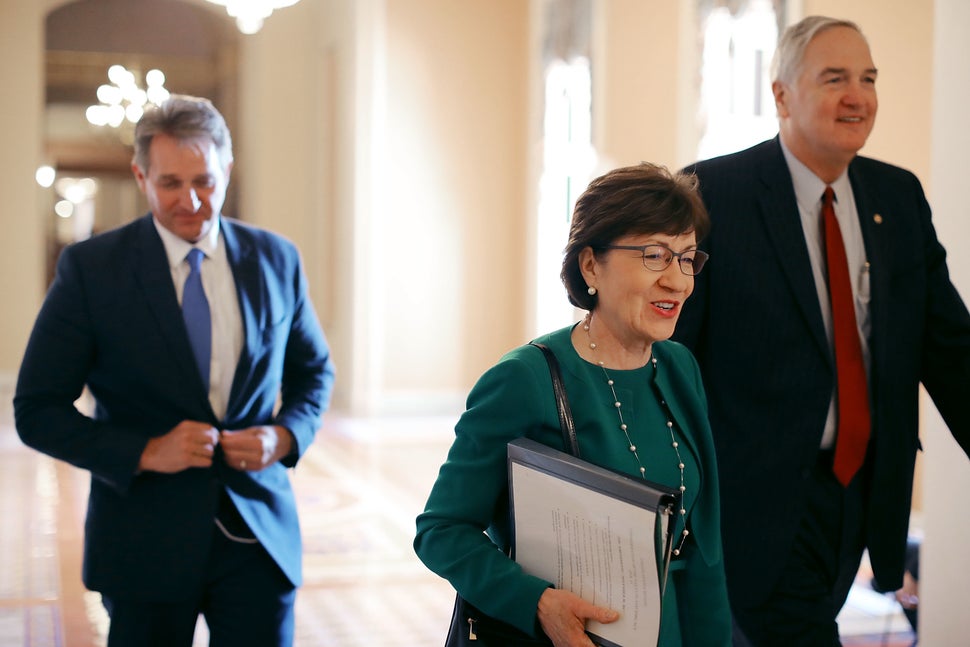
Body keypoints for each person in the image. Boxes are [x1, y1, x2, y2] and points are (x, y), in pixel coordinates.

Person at [673, 16, 970, 646]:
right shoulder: (713, 196)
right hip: (752, 503)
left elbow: (952, 351)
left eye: (868, 78)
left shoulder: (898, 197)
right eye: (835, 78)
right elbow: (670, 359)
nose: (857, 96)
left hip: (861, 493)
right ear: (781, 94)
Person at [14, 95, 335, 647]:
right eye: (170, 184)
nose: (191, 200)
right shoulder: (92, 270)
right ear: (141, 176)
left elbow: (315, 372)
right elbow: (36, 410)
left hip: (259, 537)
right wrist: (143, 451)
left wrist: (284, 436)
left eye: (205, 181)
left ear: (227, 171)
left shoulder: (277, 258)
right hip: (143, 545)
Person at [414, 163, 731, 646]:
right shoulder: (525, 378)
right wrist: (536, 602)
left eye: (687, 258)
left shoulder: (678, 366)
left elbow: (704, 547)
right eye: (654, 256)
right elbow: (441, 529)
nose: (678, 281)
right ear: (590, 266)